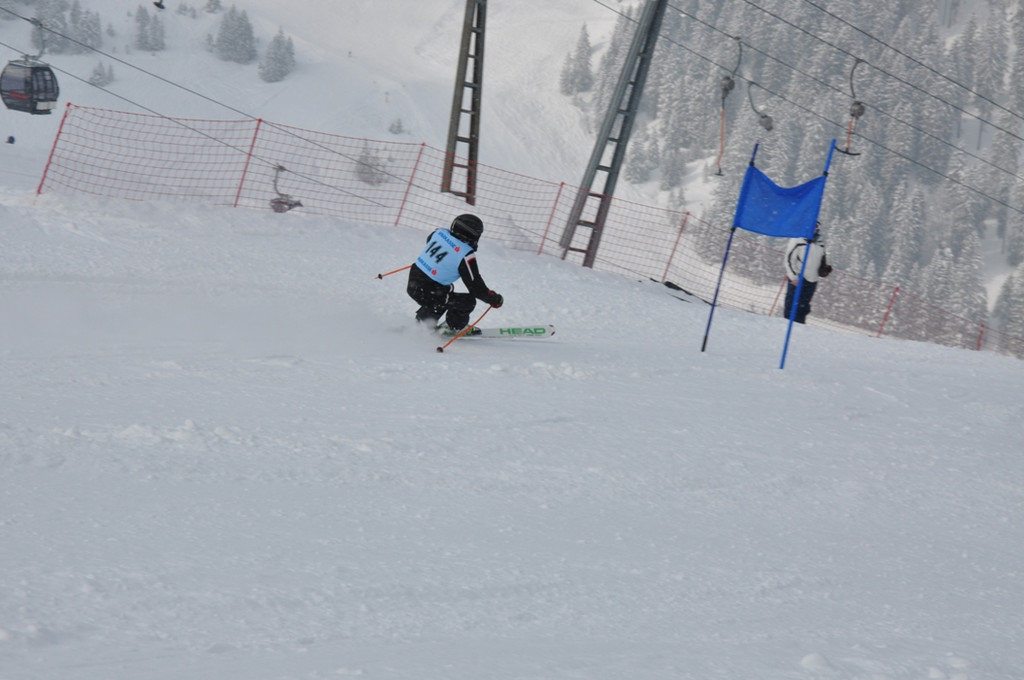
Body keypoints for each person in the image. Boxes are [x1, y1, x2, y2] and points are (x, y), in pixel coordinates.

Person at [407, 213, 504, 331]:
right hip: (429, 290)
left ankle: (423, 324)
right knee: (467, 302)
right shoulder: (465, 254)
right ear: (472, 235)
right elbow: (476, 287)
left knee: (444, 294)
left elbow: (429, 240)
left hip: (414, 283)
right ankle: (452, 328)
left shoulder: (439, 232)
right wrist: (493, 299)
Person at [783, 224, 833, 324]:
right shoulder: (798, 240)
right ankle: (787, 324)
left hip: (812, 280)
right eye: (813, 226)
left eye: (817, 227)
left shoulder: (820, 243)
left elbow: (822, 262)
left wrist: (824, 270)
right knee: (792, 305)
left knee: (803, 307)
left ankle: (799, 326)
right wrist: (793, 277)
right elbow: (788, 260)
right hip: (798, 279)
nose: (815, 229)